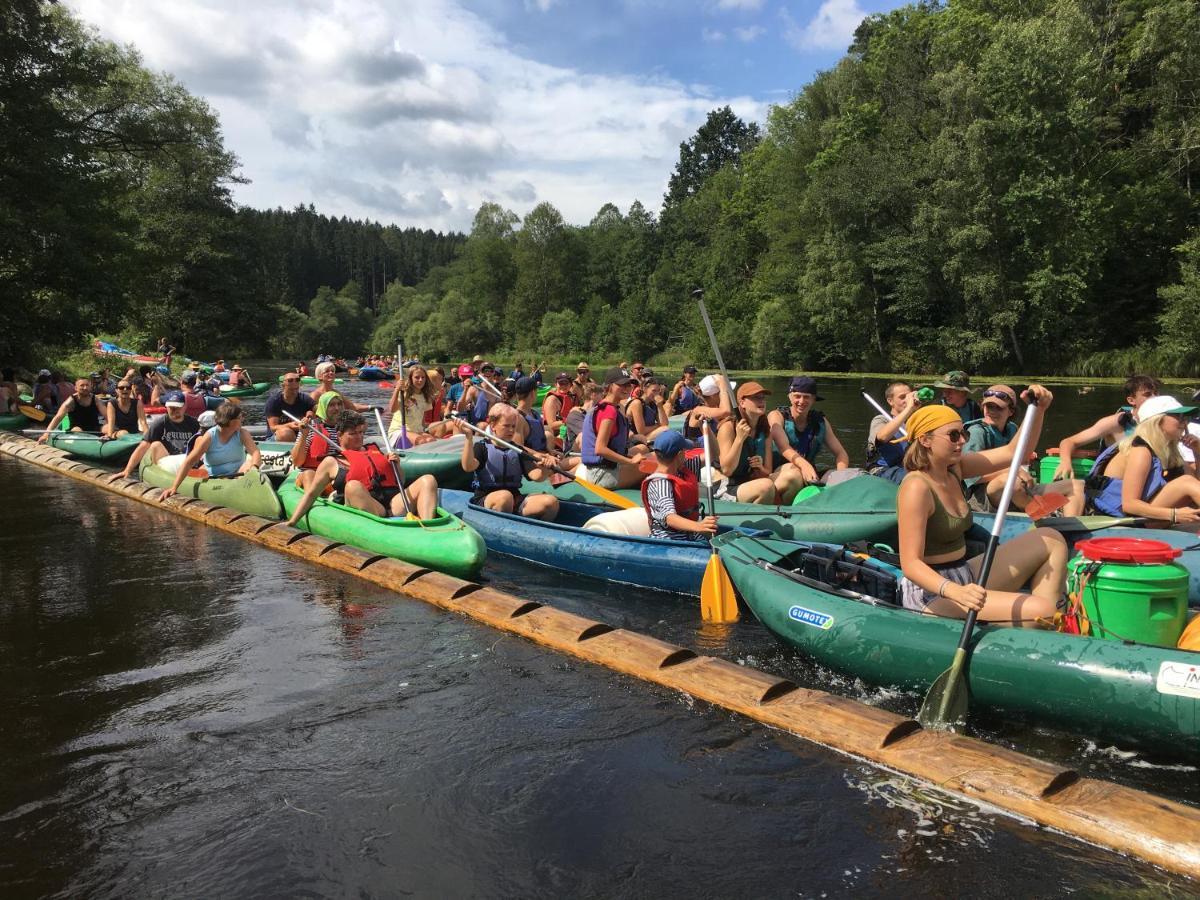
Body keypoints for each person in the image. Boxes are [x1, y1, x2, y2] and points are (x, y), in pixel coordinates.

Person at [896, 394, 1066, 625]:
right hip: (930, 592)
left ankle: (1049, 625)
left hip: (963, 572)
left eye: (963, 433)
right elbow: (911, 564)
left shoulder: (954, 468)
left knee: (1051, 539)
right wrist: (954, 591)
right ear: (925, 440)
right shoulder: (916, 487)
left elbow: (1015, 452)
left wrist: (1038, 409)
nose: (962, 441)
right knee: (1041, 611)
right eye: (953, 435)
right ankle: (1042, 621)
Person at [285, 410, 439, 525]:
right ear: (339, 435)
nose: (359, 437)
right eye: (353, 433)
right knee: (352, 486)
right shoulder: (332, 461)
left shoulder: (374, 450)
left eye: (361, 432)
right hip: (370, 509)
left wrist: (397, 466)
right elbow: (311, 494)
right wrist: (292, 522)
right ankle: (384, 526)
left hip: (392, 504)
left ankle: (427, 527)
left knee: (428, 480)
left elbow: (400, 481)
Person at [963, 385, 1085, 516]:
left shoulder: (1012, 429)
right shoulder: (977, 432)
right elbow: (971, 477)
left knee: (1076, 484)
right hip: (985, 497)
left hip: (1018, 487)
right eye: (988, 406)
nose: (992, 411)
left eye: (998, 407)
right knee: (1010, 481)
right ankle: (1043, 516)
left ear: (1011, 411)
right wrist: (1011, 470)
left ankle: (1069, 527)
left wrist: (1026, 460)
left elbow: (1020, 455)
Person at [1085, 395, 1200, 526]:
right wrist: (1174, 514)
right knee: (1185, 482)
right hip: (1123, 520)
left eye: (1185, 418)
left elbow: (1196, 485)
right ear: (1157, 420)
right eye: (1179, 417)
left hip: (1147, 516)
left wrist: (1197, 452)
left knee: (1187, 482)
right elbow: (1129, 505)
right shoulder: (1141, 451)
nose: (1184, 423)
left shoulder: (1169, 450)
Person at [455, 406, 559, 519]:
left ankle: (535, 532)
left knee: (551, 502)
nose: (511, 430)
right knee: (505, 497)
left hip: (514, 499)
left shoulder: (518, 450)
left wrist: (546, 468)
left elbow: (536, 476)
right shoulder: (481, 447)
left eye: (513, 426)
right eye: (506, 426)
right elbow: (468, 466)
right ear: (493, 426)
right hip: (487, 498)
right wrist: (468, 438)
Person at [1053, 374, 1161, 481]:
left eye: (1156, 394)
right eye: (1147, 394)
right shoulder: (1116, 423)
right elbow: (1069, 442)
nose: (1154, 398)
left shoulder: (1164, 422)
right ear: (1131, 400)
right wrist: (1065, 462)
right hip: (1113, 485)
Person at [717, 382, 805, 504]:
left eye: (763, 398)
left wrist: (760, 466)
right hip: (730, 485)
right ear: (742, 403)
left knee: (795, 474)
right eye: (756, 398)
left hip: (754, 481)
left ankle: (782, 513)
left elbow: (767, 471)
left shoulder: (765, 430)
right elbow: (727, 470)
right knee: (766, 486)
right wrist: (739, 439)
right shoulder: (728, 428)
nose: (761, 401)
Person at [161, 402, 260, 499]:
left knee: (250, 463)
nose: (242, 419)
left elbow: (255, 452)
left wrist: (254, 467)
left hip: (239, 473)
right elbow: (189, 462)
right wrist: (174, 487)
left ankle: (249, 490)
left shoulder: (242, 433)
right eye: (240, 417)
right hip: (216, 478)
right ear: (231, 422)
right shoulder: (210, 436)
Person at [768, 376, 850, 485]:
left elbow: (841, 453)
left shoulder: (820, 421)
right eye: (797, 396)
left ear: (813, 399)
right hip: (780, 473)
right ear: (789, 396)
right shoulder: (776, 416)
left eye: (806, 397)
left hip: (809, 474)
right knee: (795, 473)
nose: (801, 401)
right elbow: (783, 447)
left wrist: (841, 476)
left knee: (853, 475)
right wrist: (804, 465)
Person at [577, 368, 649, 489]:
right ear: (610, 386)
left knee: (645, 456)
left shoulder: (609, 407)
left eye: (628, 384)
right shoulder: (609, 411)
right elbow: (600, 449)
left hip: (602, 470)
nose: (626, 388)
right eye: (621, 384)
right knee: (654, 466)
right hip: (601, 476)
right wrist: (630, 462)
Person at [641, 431, 719, 542]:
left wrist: (706, 429)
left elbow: (713, 454)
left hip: (691, 536)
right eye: (685, 451)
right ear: (680, 455)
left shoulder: (683, 468)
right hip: (669, 541)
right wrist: (699, 526)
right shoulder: (659, 483)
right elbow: (669, 517)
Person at [119, 391, 201, 479]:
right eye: (172, 408)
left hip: (187, 459)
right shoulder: (160, 423)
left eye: (178, 407)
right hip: (168, 459)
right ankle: (162, 477)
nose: (175, 411)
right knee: (155, 445)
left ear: (184, 406)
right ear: (167, 407)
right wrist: (127, 470)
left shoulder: (194, 423)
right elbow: (143, 446)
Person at [866, 381, 919, 485]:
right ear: (890, 401)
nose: (907, 401)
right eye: (902, 397)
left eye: (909, 397)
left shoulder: (916, 422)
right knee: (915, 478)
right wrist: (909, 408)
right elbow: (882, 437)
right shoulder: (881, 420)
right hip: (883, 470)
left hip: (908, 468)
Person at [291, 392, 343, 490]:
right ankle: (312, 501)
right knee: (309, 474)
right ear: (323, 407)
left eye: (339, 404)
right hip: (311, 475)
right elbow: (297, 462)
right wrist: (303, 435)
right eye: (331, 405)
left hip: (334, 477)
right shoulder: (310, 428)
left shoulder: (346, 429)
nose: (337, 408)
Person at [386, 364, 439, 446]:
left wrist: (426, 430)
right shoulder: (404, 393)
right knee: (421, 441)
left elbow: (422, 419)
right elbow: (392, 409)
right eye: (417, 377)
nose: (420, 380)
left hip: (417, 430)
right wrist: (397, 390)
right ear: (411, 378)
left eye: (423, 377)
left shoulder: (426, 396)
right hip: (399, 430)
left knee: (432, 441)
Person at [39, 377, 103, 440]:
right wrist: (46, 434)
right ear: (76, 388)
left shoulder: (96, 399)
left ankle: (109, 441)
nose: (85, 388)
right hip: (77, 428)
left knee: (107, 427)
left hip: (95, 427)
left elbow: (107, 415)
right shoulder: (70, 401)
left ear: (90, 387)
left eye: (87, 385)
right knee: (77, 430)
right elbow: (57, 417)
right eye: (82, 385)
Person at [681, 374, 733, 441]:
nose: (727, 395)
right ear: (713, 395)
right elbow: (726, 411)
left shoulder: (716, 411)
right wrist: (722, 387)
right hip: (699, 450)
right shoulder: (699, 410)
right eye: (726, 392)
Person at [265, 372, 316, 441]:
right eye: (290, 380)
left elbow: (319, 411)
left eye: (297, 380)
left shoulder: (305, 399)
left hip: (299, 437)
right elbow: (273, 427)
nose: (294, 392)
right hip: (276, 438)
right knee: (286, 433)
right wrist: (290, 426)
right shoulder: (274, 401)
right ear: (283, 386)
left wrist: (311, 415)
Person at [512, 376, 553, 453]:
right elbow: (518, 447)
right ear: (532, 393)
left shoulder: (534, 413)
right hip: (533, 462)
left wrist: (549, 451)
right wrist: (544, 456)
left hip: (543, 456)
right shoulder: (518, 418)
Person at [624, 377, 670, 442]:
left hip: (647, 435)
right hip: (635, 438)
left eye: (658, 391)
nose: (656, 394)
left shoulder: (653, 404)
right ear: (645, 389)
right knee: (665, 429)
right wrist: (658, 425)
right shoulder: (637, 403)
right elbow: (641, 431)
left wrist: (660, 406)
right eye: (654, 391)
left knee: (667, 430)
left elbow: (665, 423)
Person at [564, 383, 604, 453]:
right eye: (601, 395)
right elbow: (589, 434)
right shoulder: (575, 415)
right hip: (574, 453)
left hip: (597, 448)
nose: (603, 399)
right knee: (583, 436)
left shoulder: (598, 413)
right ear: (593, 395)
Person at [541, 372, 575, 448]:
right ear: (556, 385)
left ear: (570, 385)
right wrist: (569, 421)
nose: (563, 386)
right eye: (560, 383)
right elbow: (551, 425)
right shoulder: (552, 400)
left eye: (566, 383)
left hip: (566, 432)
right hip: (554, 436)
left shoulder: (571, 397)